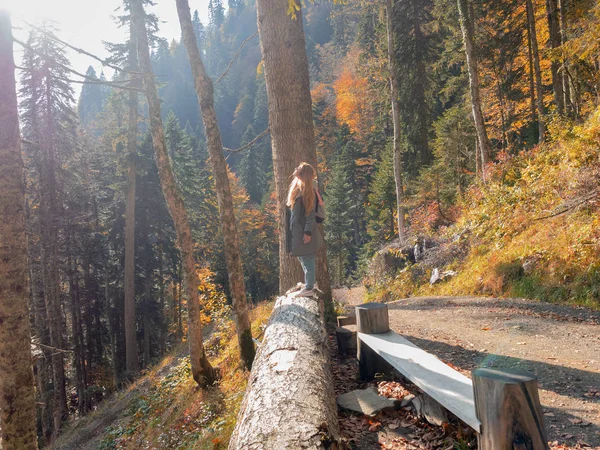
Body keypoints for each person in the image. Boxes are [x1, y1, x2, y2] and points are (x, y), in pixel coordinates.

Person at [286, 162, 323, 297]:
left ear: (303, 174)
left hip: (304, 232)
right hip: (298, 231)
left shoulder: (307, 191)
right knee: (302, 258)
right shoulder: (299, 187)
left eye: (298, 168)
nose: (295, 168)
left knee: (308, 259)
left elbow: (310, 214)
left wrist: (307, 232)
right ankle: (309, 283)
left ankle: (309, 288)